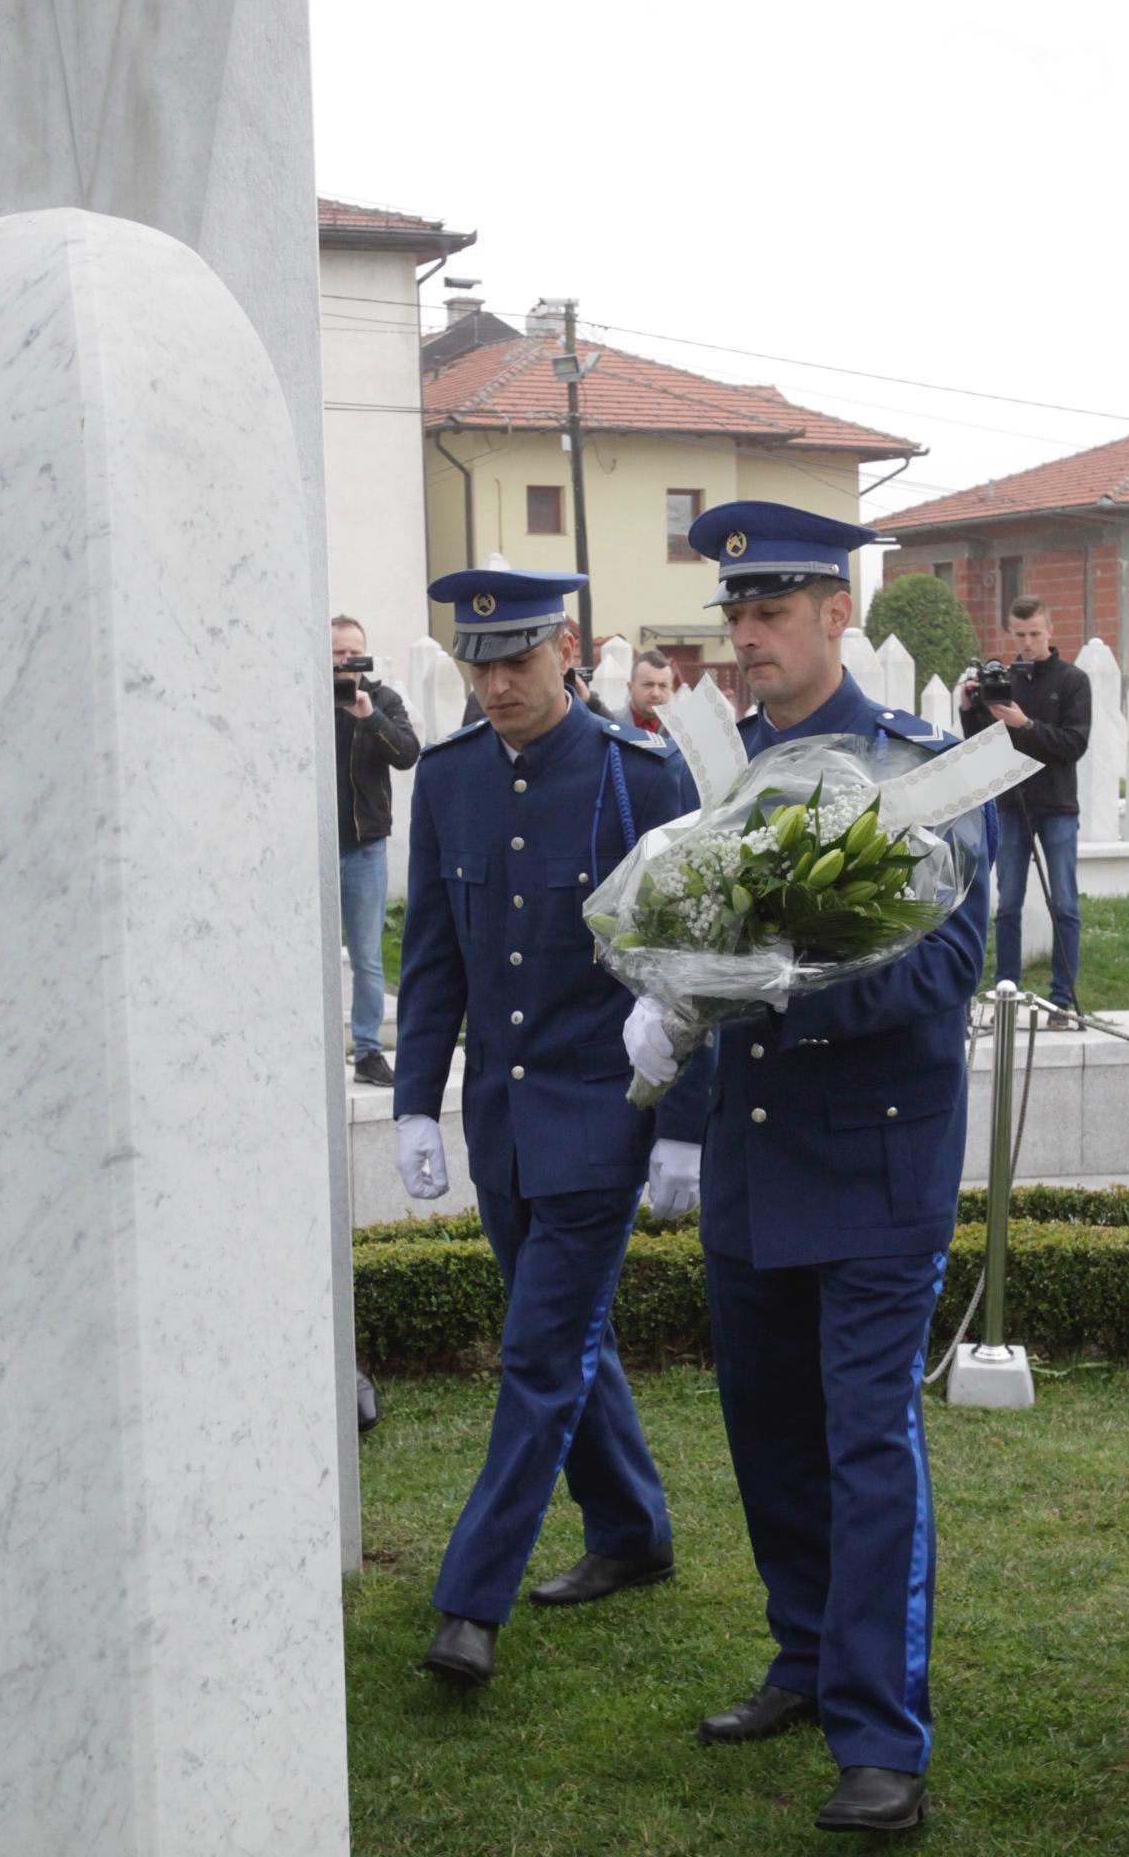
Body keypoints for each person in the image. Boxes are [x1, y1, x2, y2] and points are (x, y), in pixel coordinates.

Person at [623, 500, 992, 1837]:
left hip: (878, 1164)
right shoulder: (713, 773)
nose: (747, 639)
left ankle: (881, 1730)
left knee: (866, 1440)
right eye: (733, 616)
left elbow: (950, 967)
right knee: (770, 1431)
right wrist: (672, 995)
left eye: (771, 613)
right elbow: (670, 913)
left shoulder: (917, 770)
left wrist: (769, 987)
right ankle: (803, 1655)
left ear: (839, 614)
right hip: (755, 1159)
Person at [391, 568, 710, 1690]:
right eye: (477, 662)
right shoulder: (450, 778)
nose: (492, 682)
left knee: (536, 1352)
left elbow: (689, 964)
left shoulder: (642, 774)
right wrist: (413, 1102)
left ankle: (470, 1602)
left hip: (602, 1117)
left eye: (515, 659)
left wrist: (687, 1126)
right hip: (503, 1121)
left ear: (567, 648)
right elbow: (433, 953)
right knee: (571, 1337)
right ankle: (631, 1529)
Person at [957, 596, 1091, 1023]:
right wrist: (969, 708)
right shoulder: (1003, 679)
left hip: (1057, 805)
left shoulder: (1073, 680)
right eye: (1020, 635)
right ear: (1009, 634)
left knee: (1065, 904)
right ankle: (1006, 994)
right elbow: (982, 743)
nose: (1028, 642)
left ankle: (1062, 1000)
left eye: (1035, 634)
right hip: (1011, 805)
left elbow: (1075, 744)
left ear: (1050, 631)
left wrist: (1027, 725)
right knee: (1008, 904)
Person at [333, 614, 421, 1087]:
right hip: (315, 849)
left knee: (367, 955)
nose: (346, 663)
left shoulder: (383, 699)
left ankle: (367, 1051)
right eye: (336, 654)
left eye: (353, 653)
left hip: (365, 846)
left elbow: (409, 752)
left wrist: (370, 717)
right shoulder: (307, 695)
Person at [627, 649, 678, 734]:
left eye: (663, 686)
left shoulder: (682, 732)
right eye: (648, 684)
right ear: (630, 688)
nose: (655, 694)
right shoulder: (610, 724)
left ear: (670, 689)